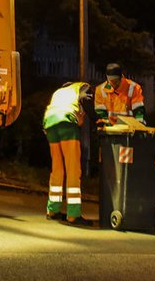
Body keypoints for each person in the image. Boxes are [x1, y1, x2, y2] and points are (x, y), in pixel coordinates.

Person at [43, 81, 93, 226]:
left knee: (57, 169)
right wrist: (98, 120)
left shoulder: (59, 93)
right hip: (67, 124)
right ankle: (73, 214)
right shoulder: (82, 87)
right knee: (73, 169)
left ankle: (52, 210)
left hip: (49, 125)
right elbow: (87, 102)